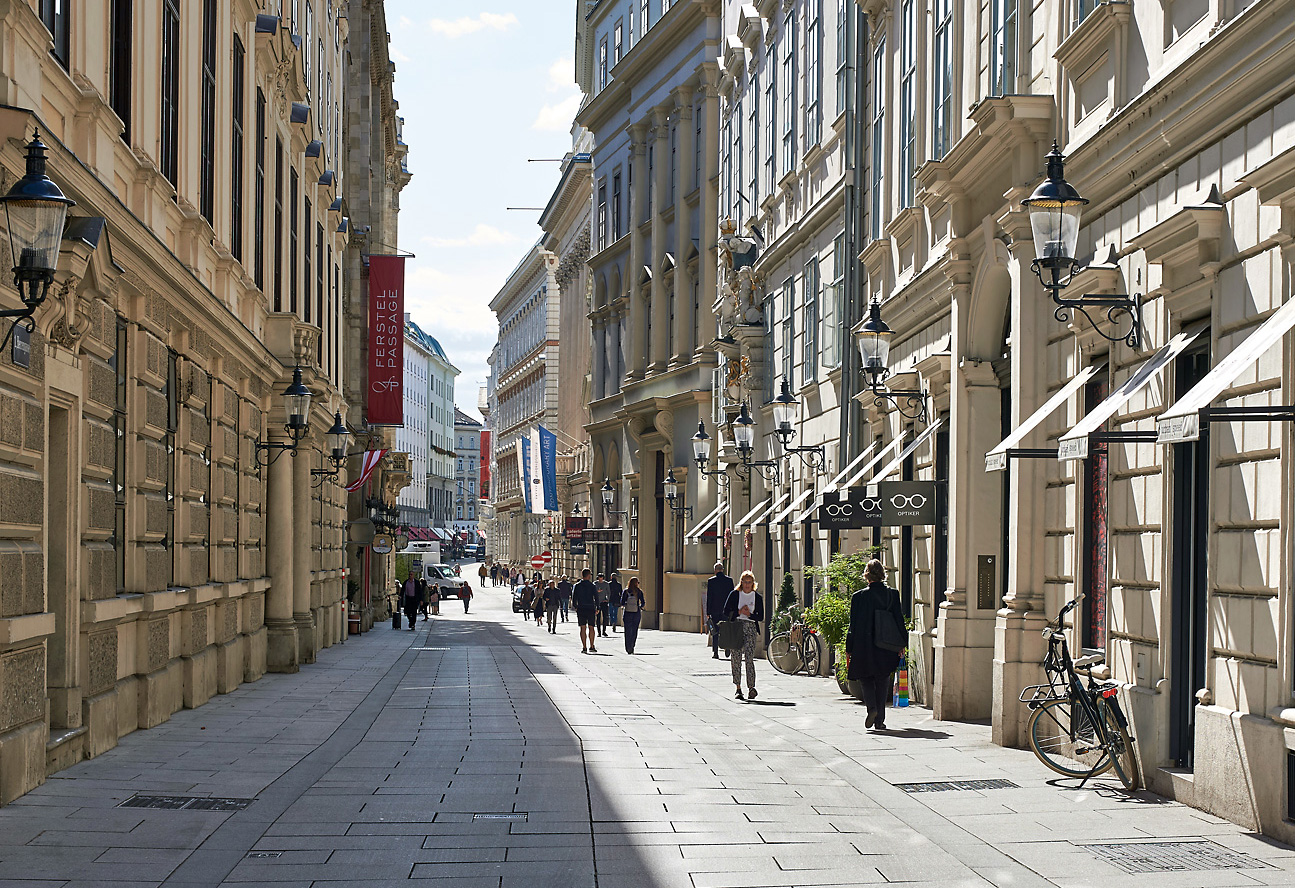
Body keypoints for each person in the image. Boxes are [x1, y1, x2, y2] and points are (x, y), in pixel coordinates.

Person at [846, 559, 906, 730]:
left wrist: (849, 648)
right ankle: (880, 720)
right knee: (882, 680)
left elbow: (853, 625)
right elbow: (898, 620)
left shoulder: (858, 597)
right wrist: (902, 643)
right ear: (882, 575)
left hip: (864, 645)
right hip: (886, 645)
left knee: (865, 679)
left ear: (866, 575)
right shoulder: (892, 594)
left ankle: (871, 708)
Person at [723, 570, 764, 700]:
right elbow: (726, 611)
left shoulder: (757, 597)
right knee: (736, 658)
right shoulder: (735, 594)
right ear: (741, 582)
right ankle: (738, 688)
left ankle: (751, 687)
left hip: (750, 627)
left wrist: (750, 615)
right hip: (736, 626)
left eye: (749, 582)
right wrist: (738, 612)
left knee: (749, 657)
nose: (747, 584)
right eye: (745, 582)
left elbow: (761, 616)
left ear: (753, 583)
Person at [706, 562, 734, 660]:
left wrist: (708, 612)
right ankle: (727, 647)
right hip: (726, 610)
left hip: (714, 610)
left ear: (715, 570)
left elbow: (709, 597)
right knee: (726, 629)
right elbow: (732, 596)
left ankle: (716, 652)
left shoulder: (711, 581)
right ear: (723, 570)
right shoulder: (729, 581)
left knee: (715, 631)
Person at [572, 569, 599, 654]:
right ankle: (591, 645)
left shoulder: (577, 586)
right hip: (590, 608)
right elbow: (596, 597)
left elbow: (574, 598)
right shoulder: (592, 586)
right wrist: (597, 607)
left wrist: (576, 607)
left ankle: (584, 647)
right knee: (591, 627)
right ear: (588, 576)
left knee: (582, 628)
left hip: (581, 608)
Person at [621, 577, 646, 654]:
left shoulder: (626, 591)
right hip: (636, 613)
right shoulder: (639, 592)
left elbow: (622, 602)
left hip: (627, 613)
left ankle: (628, 647)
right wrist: (640, 606)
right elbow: (643, 602)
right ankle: (632, 646)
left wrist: (626, 605)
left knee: (627, 630)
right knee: (634, 630)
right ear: (636, 583)